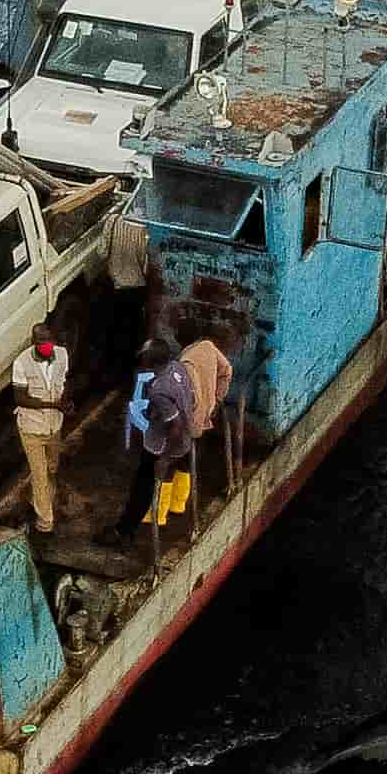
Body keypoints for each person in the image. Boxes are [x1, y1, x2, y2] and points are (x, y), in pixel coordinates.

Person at [123, 341, 193, 536]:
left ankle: (131, 528)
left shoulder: (159, 389)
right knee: (177, 470)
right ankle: (175, 506)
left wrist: (165, 457)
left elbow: (175, 425)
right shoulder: (177, 368)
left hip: (160, 444)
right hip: (185, 438)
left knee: (144, 485)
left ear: (150, 360)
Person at [9, 322, 71, 532]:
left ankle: (36, 497)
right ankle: (45, 523)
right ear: (33, 343)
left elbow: (63, 382)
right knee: (39, 474)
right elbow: (20, 398)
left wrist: (65, 402)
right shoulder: (21, 363)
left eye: (48, 341)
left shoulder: (62, 355)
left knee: (52, 467)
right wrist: (53, 404)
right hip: (31, 428)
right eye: (40, 343)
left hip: (54, 426)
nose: (45, 346)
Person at [99, 194, 154, 367]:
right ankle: (127, 366)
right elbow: (146, 265)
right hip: (135, 288)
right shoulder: (144, 230)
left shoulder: (113, 220)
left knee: (112, 325)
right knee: (132, 329)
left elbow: (101, 252)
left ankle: (109, 363)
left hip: (113, 284)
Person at [178, 330, 235, 484]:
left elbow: (190, 392)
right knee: (188, 461)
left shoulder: (186, 361)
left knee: (171, 463)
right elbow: (227, 370)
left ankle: (164, 506)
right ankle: (179, 504)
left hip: (191, 412)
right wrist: (218, 398)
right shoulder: (210, 348)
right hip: (207, 408)